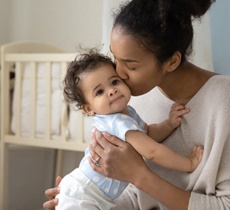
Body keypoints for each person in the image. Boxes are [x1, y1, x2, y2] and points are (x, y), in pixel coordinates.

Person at [43, 0, 230, 209]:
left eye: (130, 65)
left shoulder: (224, 101)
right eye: (115, 59)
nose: (118, 74)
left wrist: (139, 175)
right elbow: (136, 196)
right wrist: (86, 199)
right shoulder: (130, 97)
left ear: (172, 62)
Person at [53, 49, 203, 209]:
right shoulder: (117, 122)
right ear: (88, 109)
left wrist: (169, 123)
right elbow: (152, 151)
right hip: (83, 195)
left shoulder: (127, 112)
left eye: (115, 81)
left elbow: (149, 134)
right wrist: (188, 163)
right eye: (100, 91)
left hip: (88, 194)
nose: (112, 90)